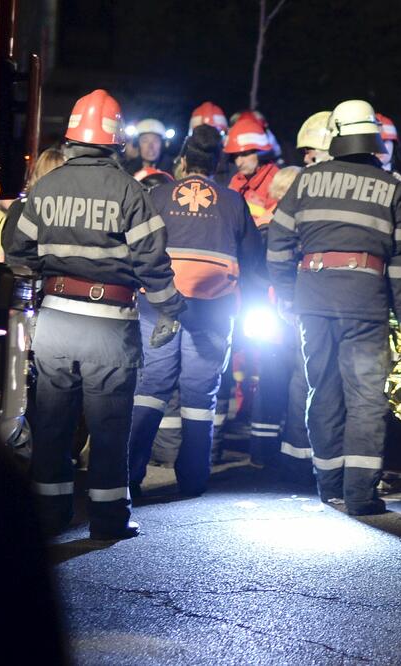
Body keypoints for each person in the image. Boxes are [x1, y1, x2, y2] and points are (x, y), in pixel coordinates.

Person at [7, 89, 185, 539]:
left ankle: (49, 514)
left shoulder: (46, 186)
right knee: (107, 427)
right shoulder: (129, 190)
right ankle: (108, 519)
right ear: (116, 141)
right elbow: (152, 262)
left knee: (52, 422)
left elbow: (17, 251)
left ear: (72, 139)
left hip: (55, 323)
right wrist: (169, 310)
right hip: (109, 326)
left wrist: (48, 270)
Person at [267, 99, 401, 515]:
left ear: (334, 135)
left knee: (323, 390)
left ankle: (328, 484)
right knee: (367, 399)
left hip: (312, 302)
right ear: (373, 138)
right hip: (365, 305)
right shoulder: (393, 187)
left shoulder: (307, 181)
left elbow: (278, 243)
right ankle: (360, 496)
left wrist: (286, 294)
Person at [127, 124, 264, 497]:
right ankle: (192, 479)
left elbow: (137, 250)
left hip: (158, 306)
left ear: (183, 160)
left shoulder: (157, 195)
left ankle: (129, 476)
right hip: (213, 310)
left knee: (151, 388)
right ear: (219, 162)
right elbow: (253, 261)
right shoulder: (234, 202)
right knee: (200, 396)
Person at [247, 165, 313, 474]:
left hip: (291, 314)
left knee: (290, 382)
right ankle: (268, 452)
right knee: (277, 382)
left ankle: (285, 451)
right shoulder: (270, 228)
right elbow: (258, 272)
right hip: (280, 314)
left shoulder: (292, 227)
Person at [0, 147, 66, 262]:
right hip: (35, 275)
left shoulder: (19, 206)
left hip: (18, 273)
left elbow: (7, 242)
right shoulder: (55, 209)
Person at [225, 114, 280, 228]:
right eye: (236, 156)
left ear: (261, 153)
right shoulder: (237, 180)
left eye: (244, 155)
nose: (239, 162)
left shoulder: (276, 181)